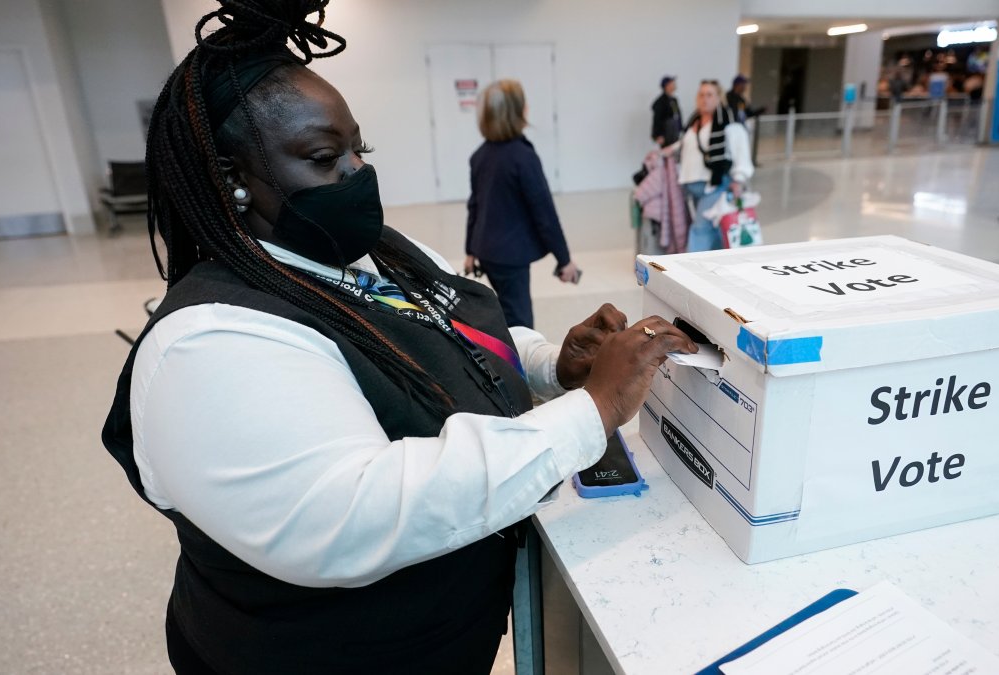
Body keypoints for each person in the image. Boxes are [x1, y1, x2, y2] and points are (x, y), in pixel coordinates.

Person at [100, 2, 696, 673]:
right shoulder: (210, 342)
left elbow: (452, 327)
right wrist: (589, 412)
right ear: (233, 178)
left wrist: (550, 365)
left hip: (447, 634)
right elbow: (357, 512)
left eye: (362, 149)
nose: (357, 172)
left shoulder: (376, 251)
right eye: (326, 157)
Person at [465, 79, 578, 329]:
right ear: (518, 112)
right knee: (520, 320)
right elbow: (544, 213)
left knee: (506, 310)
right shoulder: (523, 158)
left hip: (486, 250)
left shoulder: (480, 156)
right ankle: (517, 366)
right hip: (510, 256)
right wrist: (565, 260)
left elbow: (475, 206)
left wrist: (470, 250)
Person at [671, 79, 755, 252]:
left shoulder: (729, 123)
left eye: (710, 95)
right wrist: (668, 151)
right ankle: (718, 263)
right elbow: (686, 145)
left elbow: (741, 151)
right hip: (692, 184)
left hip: (715, 185)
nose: (704, 99)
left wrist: (739, 179)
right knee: (712, 228)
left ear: (718, 98)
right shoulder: (694, 121)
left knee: (700, 228)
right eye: (701, 95)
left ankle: (691, 269)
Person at [651, 75, 683, 146]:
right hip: (666, 132)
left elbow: (677, 115)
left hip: (675, 131)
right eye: (672, 83)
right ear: (667, 86)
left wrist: (681, 128)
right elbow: (657, 119)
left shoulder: (674, 100)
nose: (674, 85)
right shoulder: (660, 101)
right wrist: (659, 135)